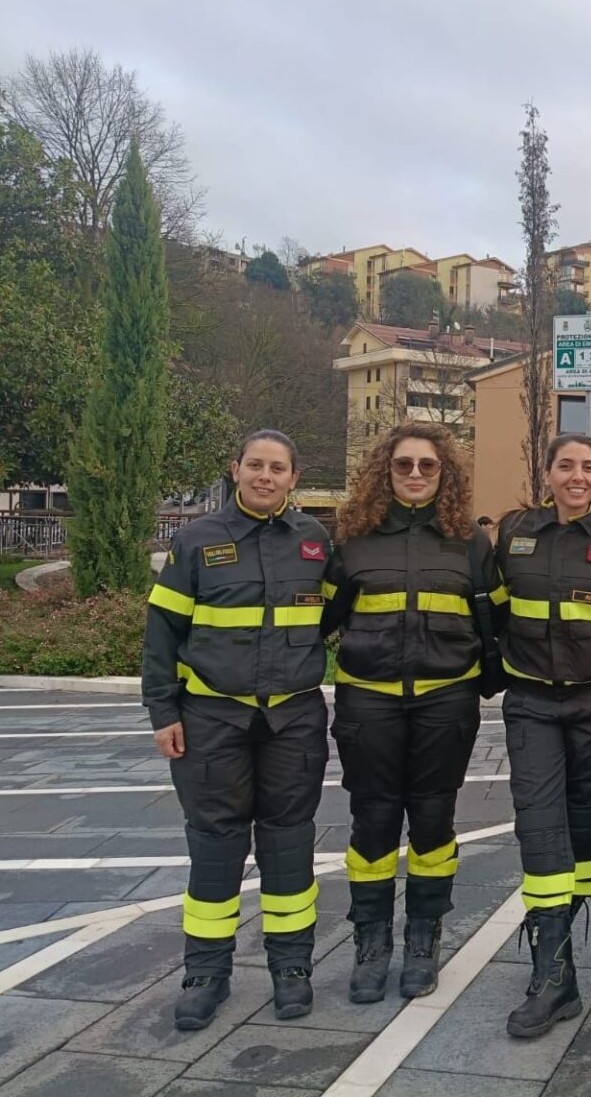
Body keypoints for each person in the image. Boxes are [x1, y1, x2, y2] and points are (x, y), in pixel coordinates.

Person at [143, 430, 332, 1031]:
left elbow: (334, 616)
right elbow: (162, 632)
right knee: (215, 845)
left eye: (277, 468)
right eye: (255, 465)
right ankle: (205, 974)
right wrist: (163, 713)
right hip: (211, 718)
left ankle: (292, 968)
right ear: (236, 470)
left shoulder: (315, 541)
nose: (265, 476)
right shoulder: (198, 540)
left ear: (294, 478)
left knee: (289, 842)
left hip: (292, 718)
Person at [321, 423, 497, 1004]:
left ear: (445, 473)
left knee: (433, 821)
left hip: (446, 702)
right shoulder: (354, 539)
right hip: (368, 701)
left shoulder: (469, 541)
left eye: (427, 465)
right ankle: (371, 942)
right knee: (372, 821)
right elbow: (318, 620)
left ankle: (424, 939)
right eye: (404, 465)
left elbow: (495, 620)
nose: (416, 474)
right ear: (385, 471)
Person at [493, 433, 591, 1038]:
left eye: (587, 467)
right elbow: (495, 612)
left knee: (584, 831)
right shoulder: (514, 536)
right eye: (565, 466)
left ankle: (557, 946)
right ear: (548, 473)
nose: (576, 476)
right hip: (532, 703)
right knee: (538, 824)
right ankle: (552, 971)